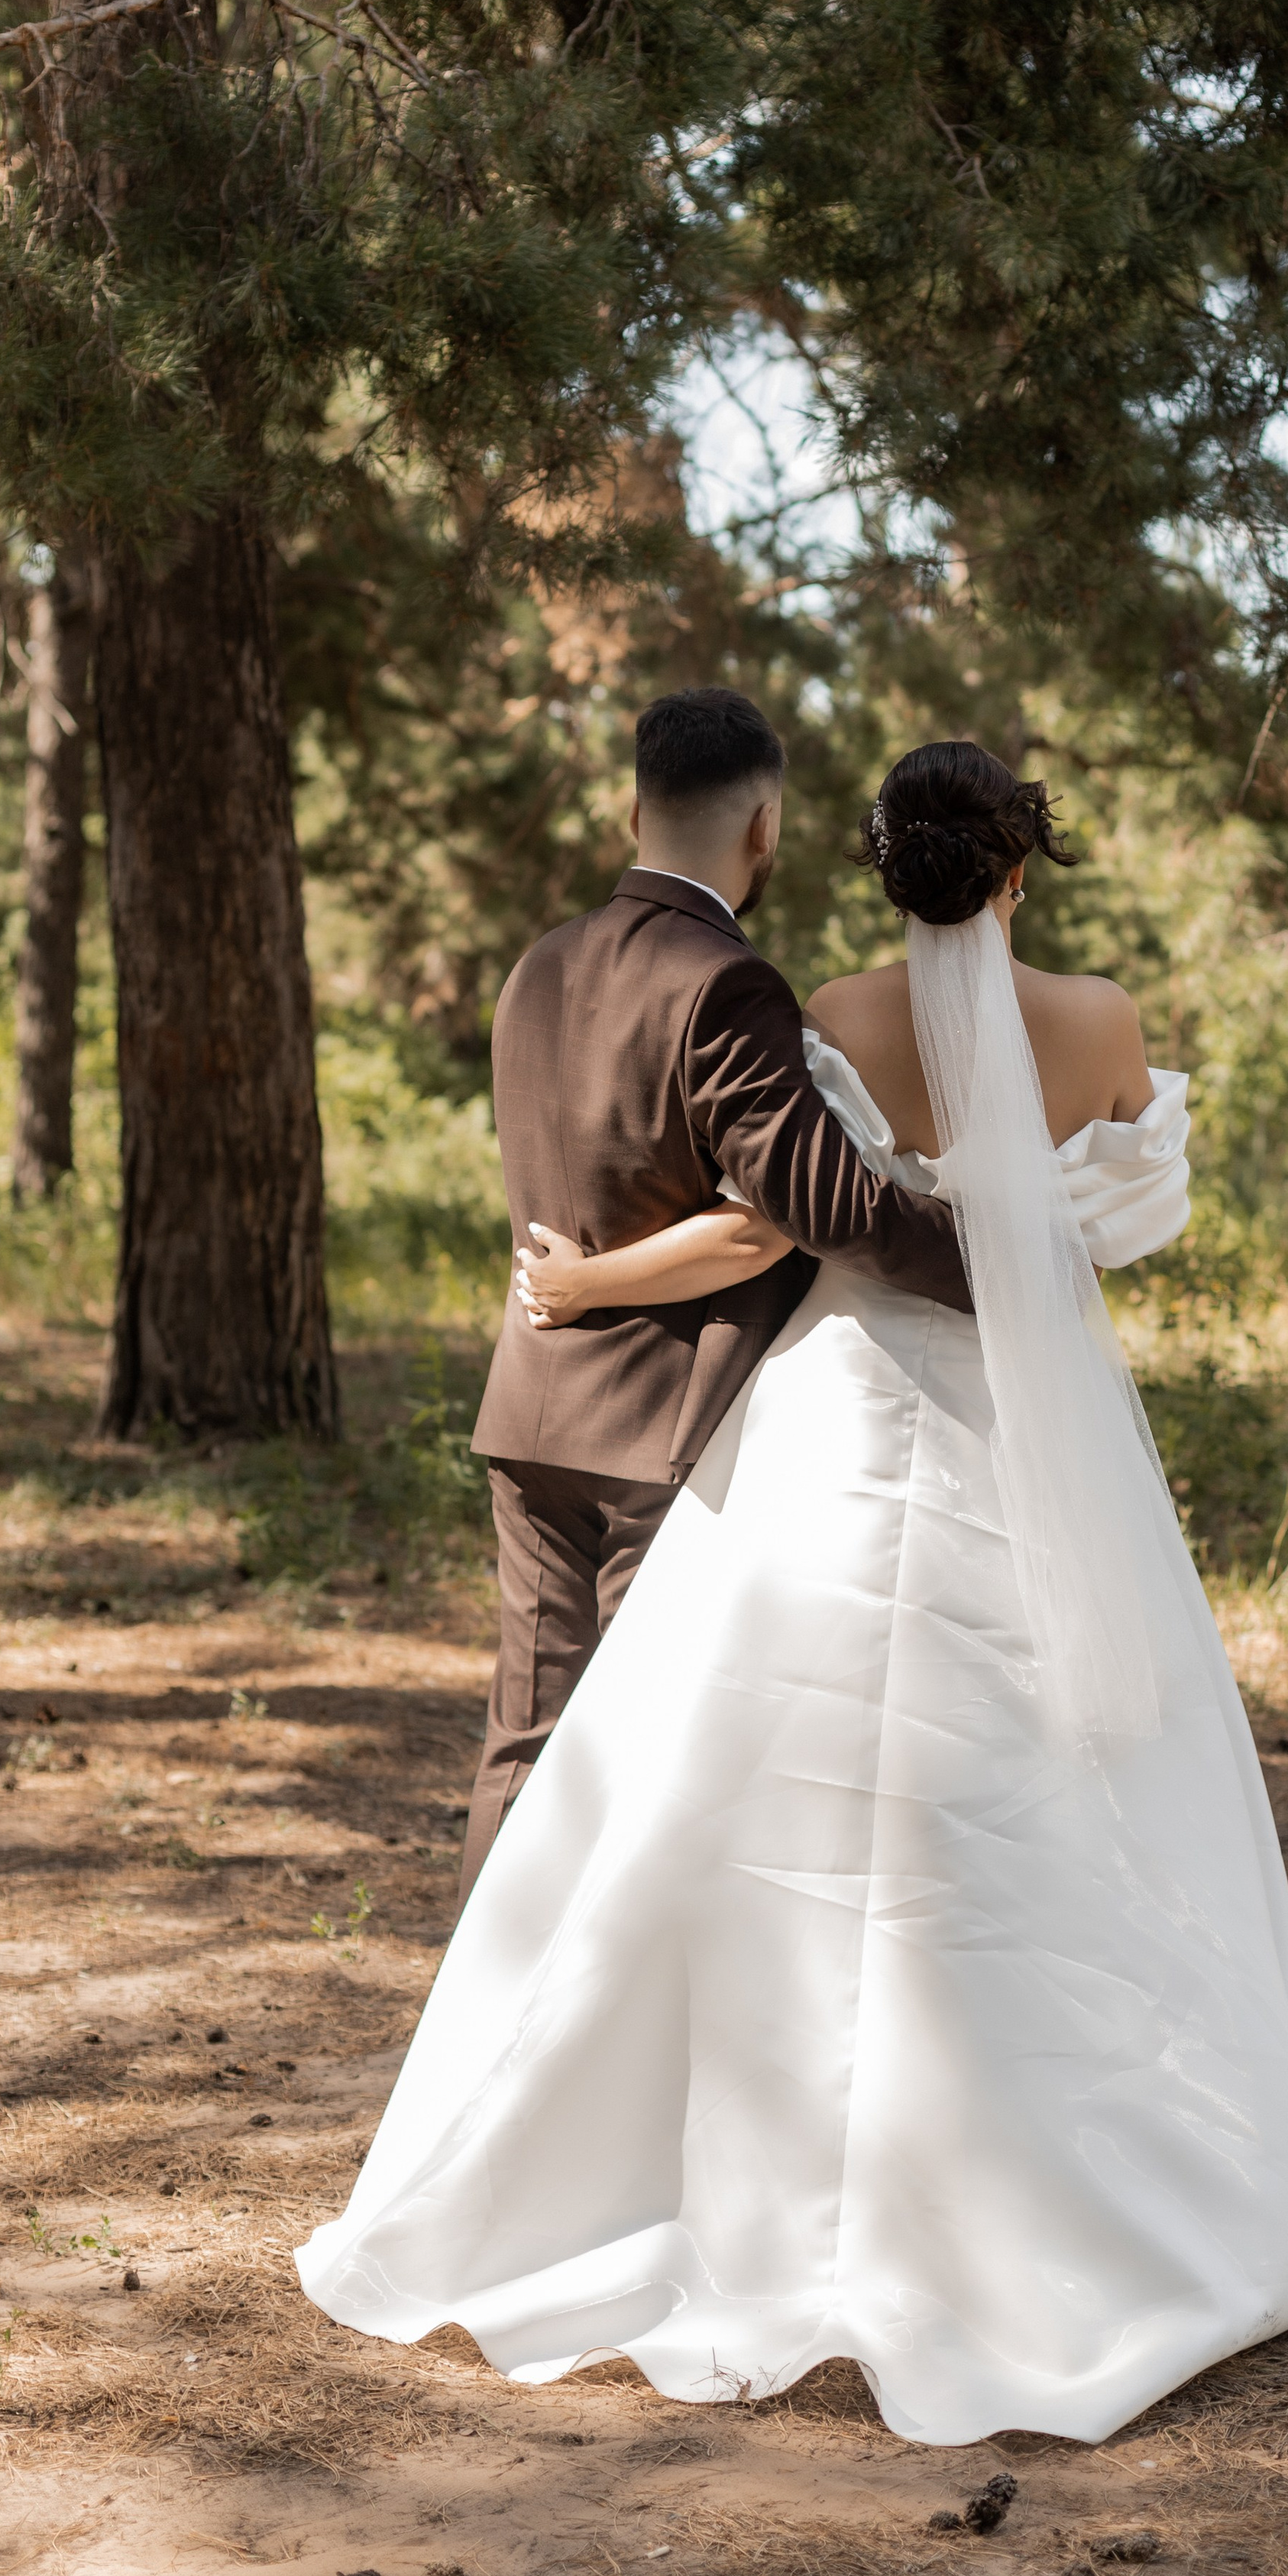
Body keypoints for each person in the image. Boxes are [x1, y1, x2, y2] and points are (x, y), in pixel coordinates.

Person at [299, 740, 1288, 2447]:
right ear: (1019, 870)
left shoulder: (832, 1019)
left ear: (879, 868)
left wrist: (582, 1285)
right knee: (1053, 1769)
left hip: (843, 1398)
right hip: (1038, 1412)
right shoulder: (1097, 1022)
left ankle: (681, 2150)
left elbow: (768, 1221)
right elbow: (1132, 1217)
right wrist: (1023, 1246)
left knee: (724, 1753)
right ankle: (1049, 2176)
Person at [455, 686, 970, 1900]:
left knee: (525, 1743)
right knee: (651, 1747)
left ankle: (480, 2052)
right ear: (765, 828)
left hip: (531, 1413)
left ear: (635, 806)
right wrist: (997, 1270)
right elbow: (817, 1205)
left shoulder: (539, 965)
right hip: (663, 1431)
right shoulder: (727, 983)